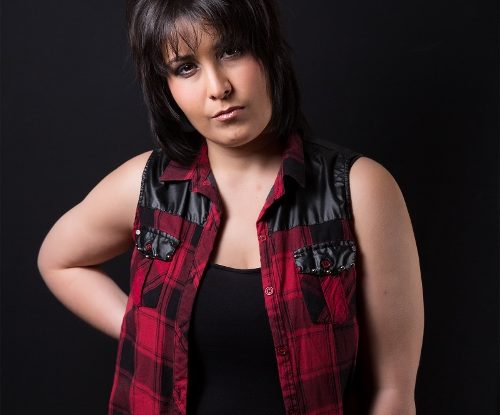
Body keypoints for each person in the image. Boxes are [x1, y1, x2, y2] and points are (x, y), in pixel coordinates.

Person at [37, 0, 424, 414]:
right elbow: (58, 260)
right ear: (166, 86)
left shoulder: (358, 189)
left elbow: (393, 393)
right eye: (186, 67)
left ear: (268, 50)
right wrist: (147, 330)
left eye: (231, 51)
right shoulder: (146, 185)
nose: (218, 87)